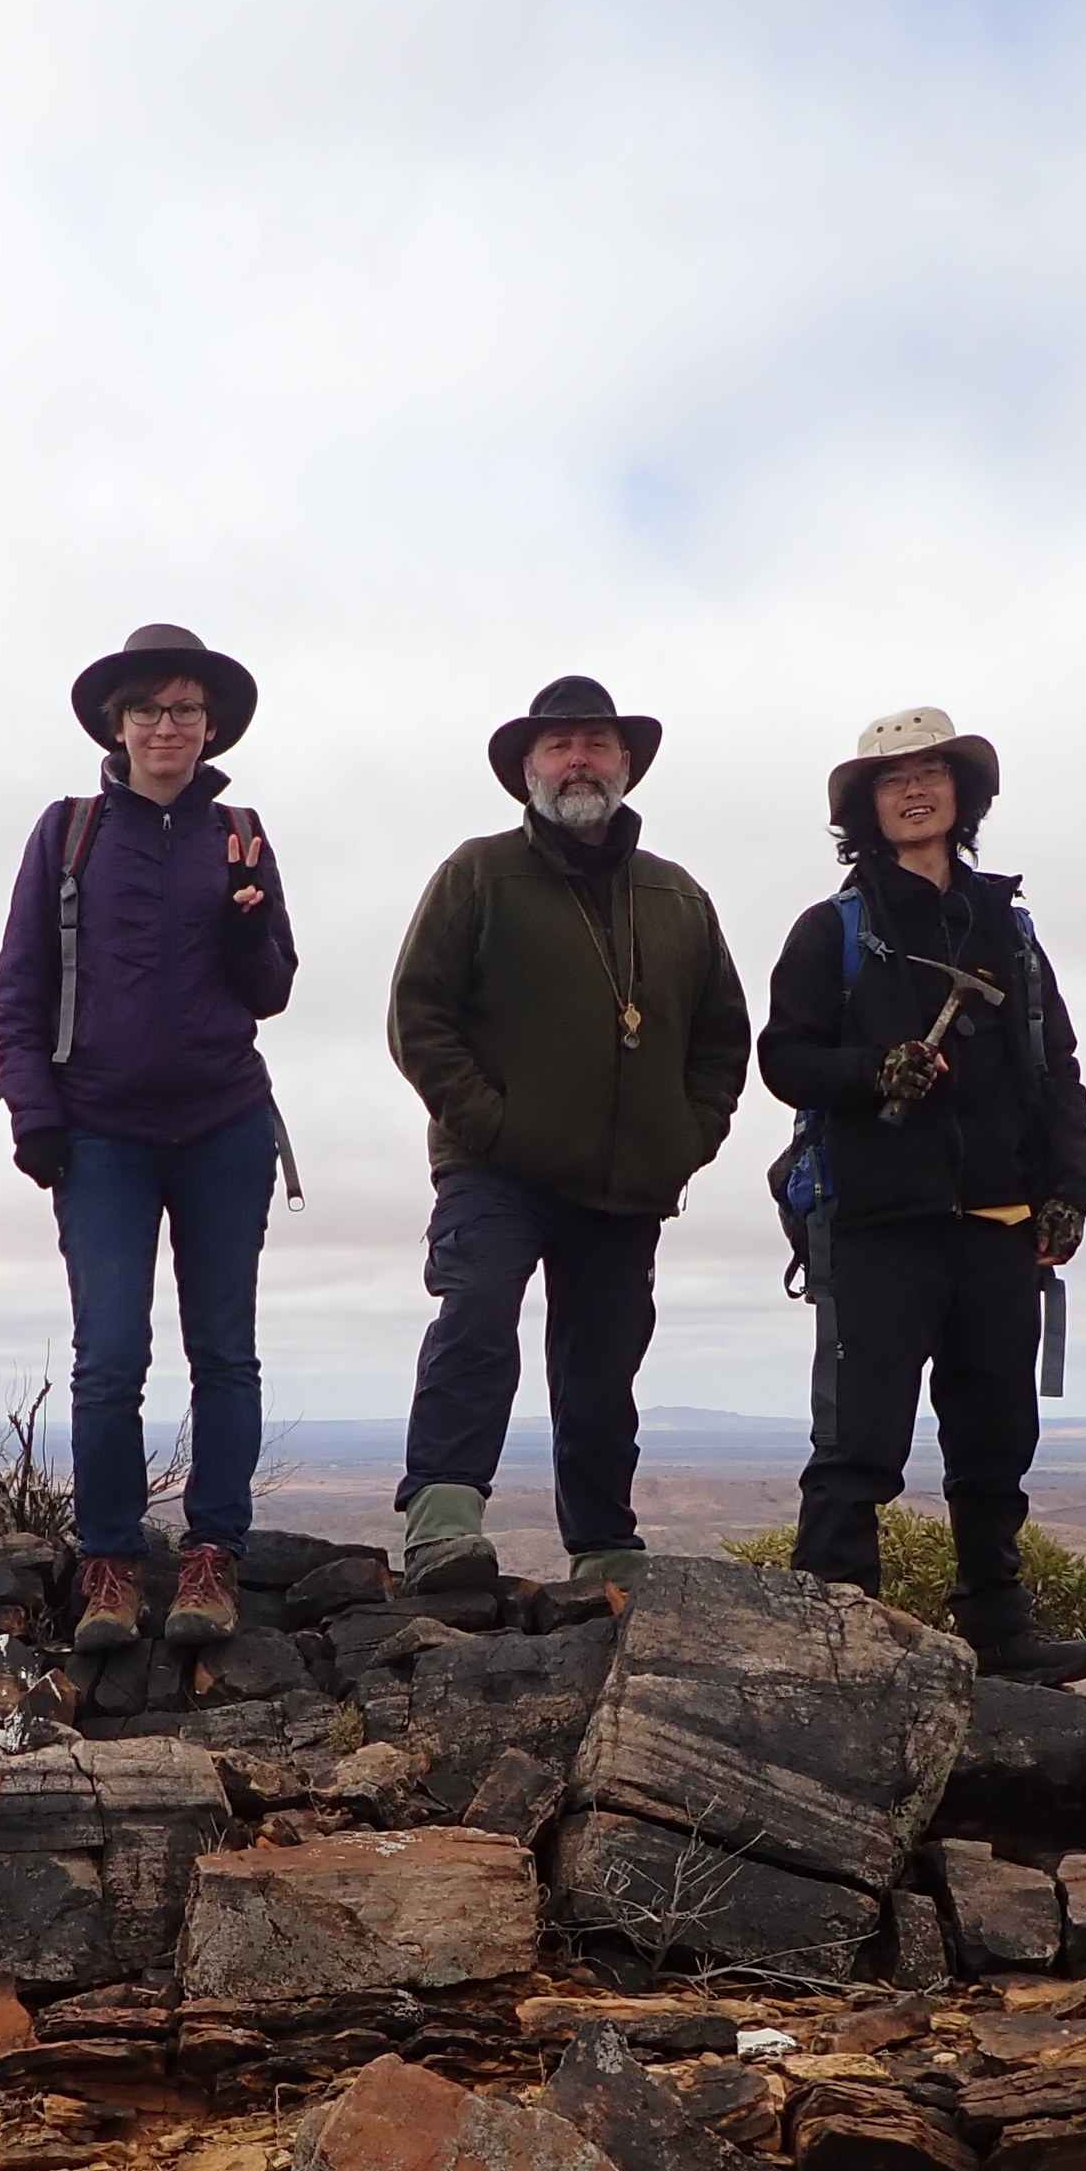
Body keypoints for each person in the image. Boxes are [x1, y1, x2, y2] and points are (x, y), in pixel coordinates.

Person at [758, 707, 1086, 1683]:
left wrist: (1070, 1188)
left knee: (994, 1441)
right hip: (874, 1227)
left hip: (998, 1229)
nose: (913, 791)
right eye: (890, 780)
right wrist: (875, 1072)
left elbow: (1058, 1069)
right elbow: (784, 1058)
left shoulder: (1008, 932)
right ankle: (833, 1629)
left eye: (930, 774)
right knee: (857, 1436)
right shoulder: (833, 931)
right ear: (865, 808)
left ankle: (999, 1627)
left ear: (961, 795)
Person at [387, 674, 750, 1591]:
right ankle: (442, 1526)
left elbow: (722, 1038)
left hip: (627, 1181)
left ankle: (604, 1549)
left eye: (596, 742)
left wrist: (684, 1139)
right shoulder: (478, 873)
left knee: (603, 1368)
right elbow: (417, 1018)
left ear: (626, 763)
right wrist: (492, 1125)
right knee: (475, 1320)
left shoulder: (676, 896)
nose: (578, 759)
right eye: (558, 746)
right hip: (495, 1171)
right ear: (526, 770)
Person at [0, 624, 297, 1652]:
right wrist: (34, 1112)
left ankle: (212, 1561)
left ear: (210, 731)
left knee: (225, 1352)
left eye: (185, 712)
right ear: (116, 728)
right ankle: (110, 1564)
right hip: (103, 1134)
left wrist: (249, 927)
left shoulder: (240, 833)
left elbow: (273, 990)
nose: (167, 727)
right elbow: (18, 989)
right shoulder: (67, 833)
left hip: (224, 1125)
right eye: (147, 711)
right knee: (109, 1357)